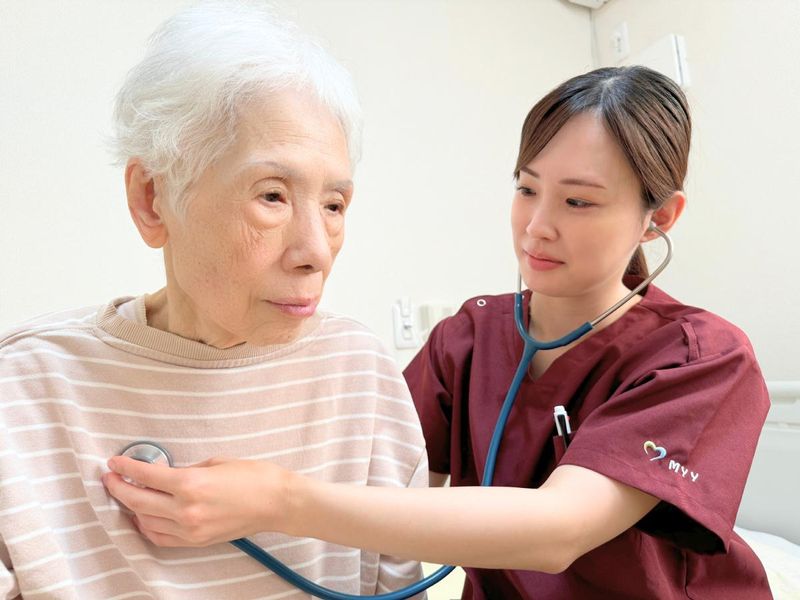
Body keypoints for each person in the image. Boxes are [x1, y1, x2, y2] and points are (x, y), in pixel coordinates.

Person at [104, 66, 772, 599]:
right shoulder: (470, 337)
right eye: (526, 189)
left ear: (660, 218)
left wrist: (276, 500)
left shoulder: (701, 358)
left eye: (578, 201)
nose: (537, 226)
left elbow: (558, 531)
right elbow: (380, 482)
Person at [0, 3, 429, 599]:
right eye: (273, 196)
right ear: (153, 199)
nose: (316, 252)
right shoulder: (25, 387)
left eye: (334, 205)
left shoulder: (357, 370)